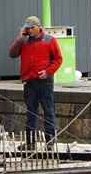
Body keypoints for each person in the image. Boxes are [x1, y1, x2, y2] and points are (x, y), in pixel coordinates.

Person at [7, 16, 62, 148]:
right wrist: (20, 39)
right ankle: (30, 142)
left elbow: (58, 59)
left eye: (32, 28)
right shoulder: (24, 42)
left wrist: (48, 72)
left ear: (38, 26)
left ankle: (50, 141)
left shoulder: (50, 40)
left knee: (48, 111)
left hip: (45, 82)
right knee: (31, 112)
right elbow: (12, 53)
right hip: (29, 82)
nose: (30, 31)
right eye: (28, 28)